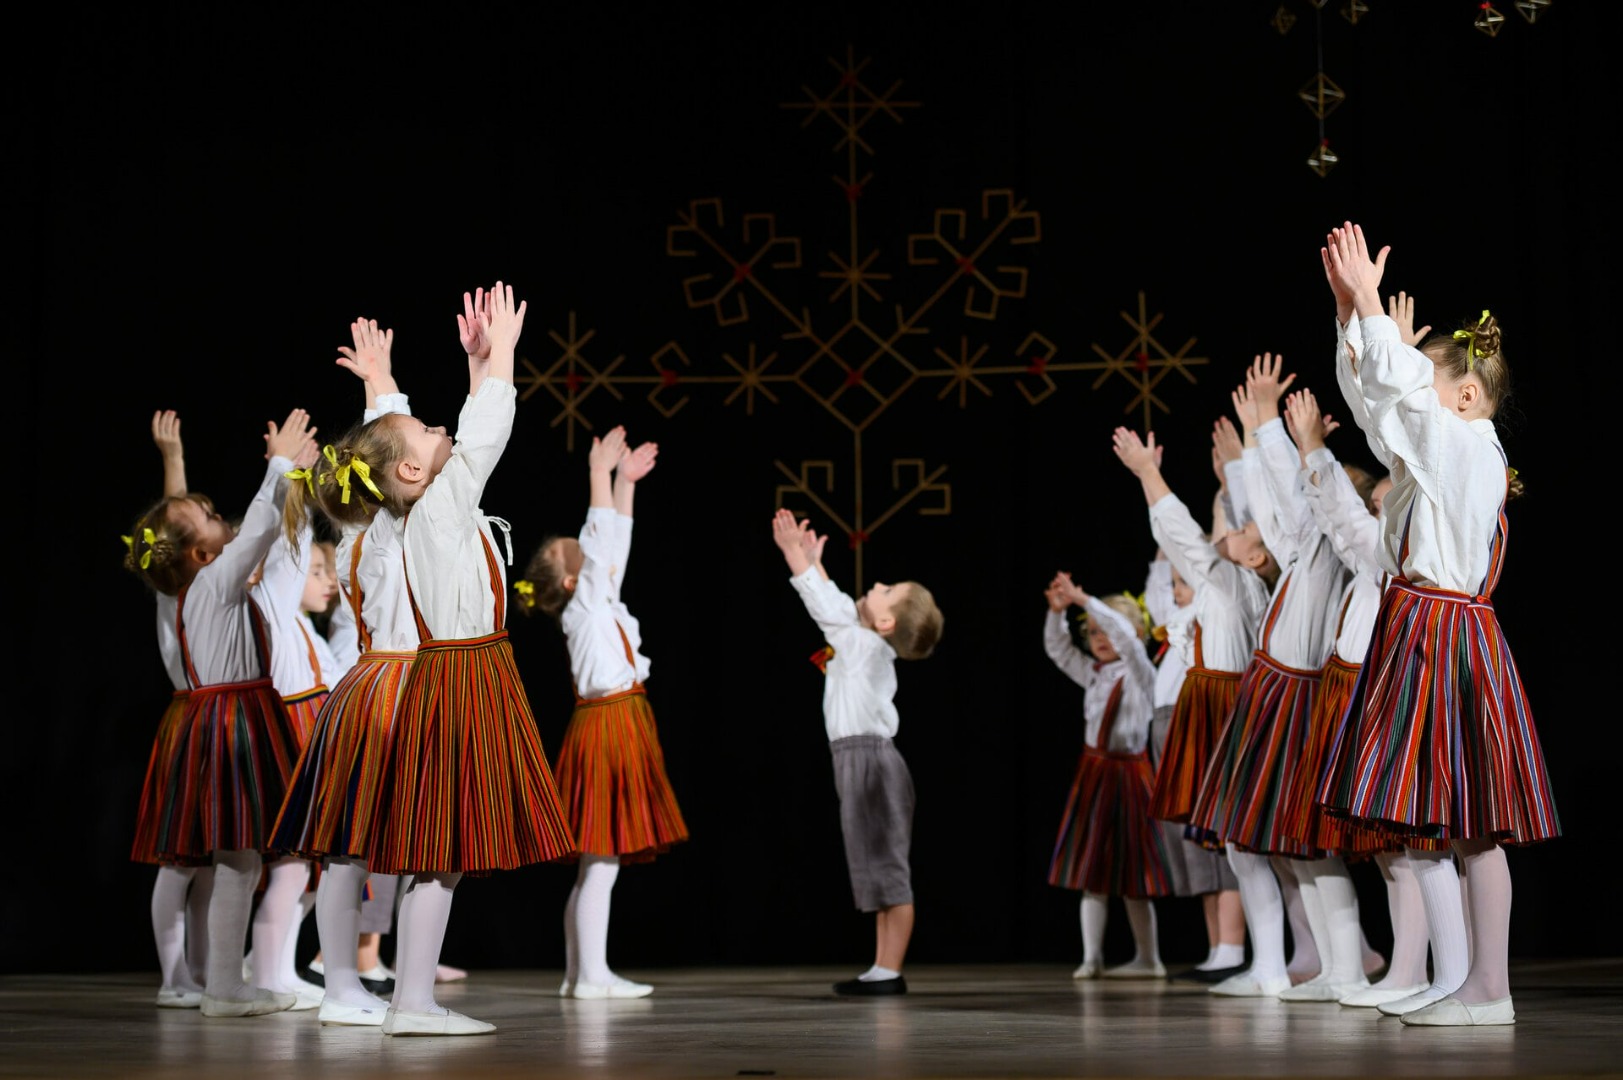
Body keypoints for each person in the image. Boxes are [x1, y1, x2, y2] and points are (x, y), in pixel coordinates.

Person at [1315, 222, 1558, 1027]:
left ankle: (1487, 987)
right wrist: (1352, 320)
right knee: (1431, 822)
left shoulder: (1468, 451)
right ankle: (1460, 980)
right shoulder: (1438, 451)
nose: (1414, 394)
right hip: (1419, 631)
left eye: (1429, 381)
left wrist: (1371, 308)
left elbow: (1402, 405)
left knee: (1472, 824)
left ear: (1464, 396)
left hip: (1446, 636)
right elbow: (1379, 413)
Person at [356, 282, 577, 1036]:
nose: (436, 423)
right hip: (460, 678)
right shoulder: (436, 505)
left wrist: (478, 363)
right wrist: (504, 353)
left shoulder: (423, 504)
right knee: (440, 846)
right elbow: (483, 435)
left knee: (442, 850)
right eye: (423, 429)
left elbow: (421, 441)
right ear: (410, 472)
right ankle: (412, 1002)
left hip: (457, 675)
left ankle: (411, 1000)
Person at [122, 407, 319, 1018]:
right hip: (233, 725)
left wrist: (287, 476)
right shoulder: (211, 583)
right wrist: (280, 467)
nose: (218, 516)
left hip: (227, 719)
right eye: (209, 518)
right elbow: (258, 527)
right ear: (202, 553)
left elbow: (215, 529)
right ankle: (224, 987)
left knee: (240, 855)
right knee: (237, 854)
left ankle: (222, 979)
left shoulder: (192, 586)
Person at [1185, 353, 1353, 999]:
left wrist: (1283, 438)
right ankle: (1289, 966)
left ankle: (1341, 968)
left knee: (1306, 846)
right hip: (1272, 694)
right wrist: (1259, 439)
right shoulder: (1298, 551)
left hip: (1297, 698)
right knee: (1269, 843)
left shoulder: (1326, 549)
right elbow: (1277, 504)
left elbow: (1291, 501)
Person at [270, 315, 420, 1025]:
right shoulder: (379, 532)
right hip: (388, 690)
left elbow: (380, 463)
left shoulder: (360, 532)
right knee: (360, 846)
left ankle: (350, 984)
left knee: (352, 848)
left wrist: (380, 389)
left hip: (365, 692)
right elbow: (389, 458)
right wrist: (383, 389)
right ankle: (351, 984)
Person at [515, 424, 689, 1000]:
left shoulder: (599, 598)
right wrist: (598, 475)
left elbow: (614, 545)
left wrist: (625, 484)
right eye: (577, 554)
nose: (588, 552)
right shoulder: (585, 604)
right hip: (609, 724)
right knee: (602, 859)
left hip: (617, 719)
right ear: (572, 579)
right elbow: (600, 539)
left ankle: (580, 974)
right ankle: (590, 975)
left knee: (599, 861)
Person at [1112, 425, 1269, 984]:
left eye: (1240, 530)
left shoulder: (1232, 583)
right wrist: (1228, 483)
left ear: (1256, 554)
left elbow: (1186, 532)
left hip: (1218, 708)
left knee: (1230, 838)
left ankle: (1245, 952)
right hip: (1204, 708)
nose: (1227, 530)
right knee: (1213, 838)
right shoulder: (1226, 582)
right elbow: (1205, 536)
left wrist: (1148, 473)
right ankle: (1242, 954)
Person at [771, 508, 943, 996]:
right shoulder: (863, 641)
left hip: (871, 763)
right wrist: (815, 563)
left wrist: (794, 556)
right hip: (860, 760)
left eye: (888, 590)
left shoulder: (864, 647)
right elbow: (840, 608)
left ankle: (890, 970)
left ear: (886, 622)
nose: (879, 583)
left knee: (888, 865)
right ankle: (882, 966)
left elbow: (828, 610)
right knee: (876, 864)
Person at [1042, 573, 1172, 979]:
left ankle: (1149, 959)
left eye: (1107, 630)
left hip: (1129, 773)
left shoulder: (1141, 673)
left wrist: (1085, 600)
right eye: (1094, 632)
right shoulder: (1095, 673)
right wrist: (1057, 613)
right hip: (1095, 774)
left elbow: (1128, 642)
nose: (1100, 638)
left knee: (1134, 874)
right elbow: (1058, 650)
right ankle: (1092, 958)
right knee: (1092, 870)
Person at [127, 409, 212, 1008]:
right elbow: (172, 522)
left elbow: (176, 523)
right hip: (192, 722)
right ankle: (173, 976)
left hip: (212, 722)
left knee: (208, 861)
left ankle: (205, 971)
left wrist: (176, 460)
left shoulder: (205, 579)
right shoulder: (179, 583)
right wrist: (173, 463)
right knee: (180, 859)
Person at [1142, 549, 1247, 982]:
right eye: (1173, 583)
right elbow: (1158, 599)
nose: (1175, 592)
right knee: (1189, 842)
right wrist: (1163, 555)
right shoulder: (1178, 623)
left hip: (1197, 722)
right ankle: (1216, 949)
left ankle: (1232, 948)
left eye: (1182, 581)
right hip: (1166, 726)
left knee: (1213, 839)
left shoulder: (1210, 615)